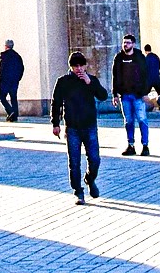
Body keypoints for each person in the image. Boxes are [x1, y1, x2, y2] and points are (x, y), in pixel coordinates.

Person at [51, 50, 108, 204]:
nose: (79, 69)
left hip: (89, 126)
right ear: (71, 67)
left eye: (81, 66)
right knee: (74, 162)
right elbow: (56, 103)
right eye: (75, 66)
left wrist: (91, 83)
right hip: (72, 128)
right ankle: (78, 191)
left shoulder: (91, 80)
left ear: (85, 66)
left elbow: (103, 96)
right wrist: (55, 124)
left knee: (95, 159)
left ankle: (90, 179)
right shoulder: (63, 81)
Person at [112, 34, 151, 156]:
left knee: (142, 119)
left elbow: (146, 76)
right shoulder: (118, 58)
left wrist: (145, 92)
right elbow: (115, 76)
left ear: (133, 44)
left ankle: (145, 146)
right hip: (125, 96)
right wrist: (115, 94)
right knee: (128, 121)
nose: (125, 45)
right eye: (124, 43)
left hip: (138, 95)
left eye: (128, 43)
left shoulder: (139, 57)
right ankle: (131, 145)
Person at [0, 40, 25, 122]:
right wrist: (18, 78)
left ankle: (10, 111)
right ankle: (14, 116)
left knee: (2, 97)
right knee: (13, 97)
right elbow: (21, 69)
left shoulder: (4, 56)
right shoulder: (17, 56)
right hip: (14, 81)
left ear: (6, 46)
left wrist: (0, 78)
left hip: (5, 81)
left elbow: (1, 68)